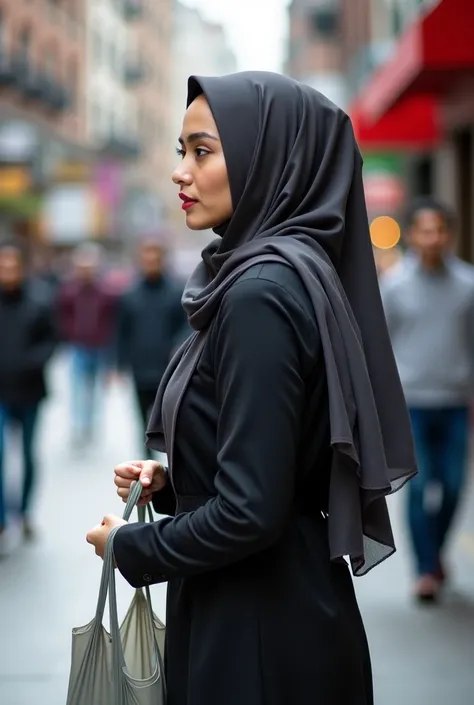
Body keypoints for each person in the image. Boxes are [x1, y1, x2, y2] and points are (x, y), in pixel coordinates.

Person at [87, 72, 416, 705]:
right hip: (275, 613)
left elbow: (250, 511)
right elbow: (280, 462)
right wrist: (180, 480)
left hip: (255, 637)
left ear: (271, 159)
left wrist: (129, 546)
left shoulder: (258, 294)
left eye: (202, 151)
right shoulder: (281, 273)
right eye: (181, 152)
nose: (181, 172)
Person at [380, 197, 474, 602]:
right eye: (425, 229)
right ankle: (424, 570)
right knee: (419, 491)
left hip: (455, 402)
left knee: (452, 487)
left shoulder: (469, 285)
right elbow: (378, 346)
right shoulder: (395, 286)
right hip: (411, 404)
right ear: (413, 234)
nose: (432, 237)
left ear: (450, 234)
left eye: (439, 230)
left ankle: (434, 554)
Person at [0, 242, 56, 541]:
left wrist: (30, 362)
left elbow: (52, 340)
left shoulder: (39, 302)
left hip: (30, 391)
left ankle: (23, 512)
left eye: (12, 266)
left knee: (27, 455)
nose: (7, 272)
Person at [116, 237, 188, 456]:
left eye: (155, 257)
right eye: (146, 257)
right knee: (144, 426)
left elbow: (187, 326)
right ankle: (147, 468)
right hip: (140, 370)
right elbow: (122, 332)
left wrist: (178, 349)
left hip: (169, 371)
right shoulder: (129, 295)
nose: (151, 261)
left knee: (171, 424)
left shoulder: (177, 291)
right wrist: (119, 365)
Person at [57, 243, 117, 447]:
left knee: (96, 391)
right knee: (77, 389)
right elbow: (62, 316)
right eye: (82, 266)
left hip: (100, 347)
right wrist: (69, 334)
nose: (86, 271)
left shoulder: (106, 293)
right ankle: (78, 427)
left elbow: (112, 321)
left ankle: (91, 426)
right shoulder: (69, 292)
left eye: (89, 266)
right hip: (78, 347)